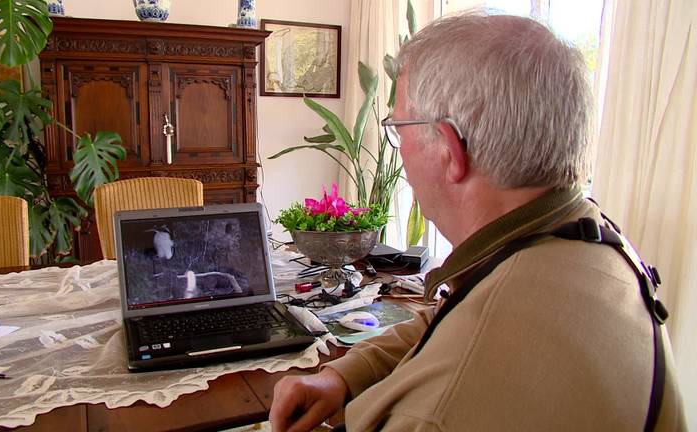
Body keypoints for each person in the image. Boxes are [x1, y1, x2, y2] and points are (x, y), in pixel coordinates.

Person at [269, 12, 685, 432]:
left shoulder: (437, 416)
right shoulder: (583, 234)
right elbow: (451, 316)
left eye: (398, 127)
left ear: (449, 149)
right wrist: (341, 375)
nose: (401, 150)